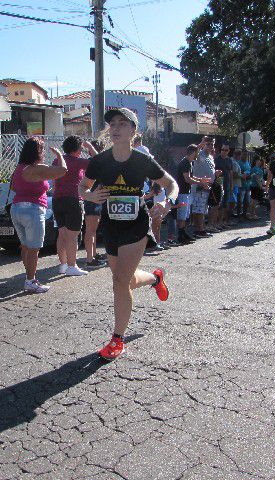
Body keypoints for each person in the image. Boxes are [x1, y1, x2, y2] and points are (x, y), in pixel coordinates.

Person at [79, 108, 178, 361]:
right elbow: (82, 186)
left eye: (122, 124)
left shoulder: (141, 160)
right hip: (111, 225)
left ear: (133, 131)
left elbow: (171, 184)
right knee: (126, 279)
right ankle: (156, 278)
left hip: (136, 225)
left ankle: (117, 339)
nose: (115, 128)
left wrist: (167, 202)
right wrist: (89, 195)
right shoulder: (100, 161)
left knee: (119, 282)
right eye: (112, 124)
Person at [11, 137, 67, 293]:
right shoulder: (35, 169)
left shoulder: (20, 168)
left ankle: (29, 276)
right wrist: (60, 156)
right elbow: (62, 171)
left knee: (25, 246)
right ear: (36, 152)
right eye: (41, 149)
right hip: (33, 209)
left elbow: (14, 187)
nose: (43, 152)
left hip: (17, 208)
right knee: (34, 248)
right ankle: (30, 280)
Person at [53, 135, 97, 275]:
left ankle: (63, 265)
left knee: (62, 234)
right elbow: (97, 162)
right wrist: (90, 147)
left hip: (57, 199)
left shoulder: (57, 160)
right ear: (78, 149)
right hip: (73, 199)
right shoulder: (78, 162)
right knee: (73, 235)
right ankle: (72, 266)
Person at [83, 140, 106, 268]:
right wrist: (90, 146)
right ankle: (89, 260)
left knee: (93, 230)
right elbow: (99, 159)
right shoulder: (93, 162)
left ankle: (94, 254)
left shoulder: (94, 163)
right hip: (92, 199)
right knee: (90, 231)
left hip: (97, 199)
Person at [188, 142, 215, 236]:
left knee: (203, 209)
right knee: (198, 208)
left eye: (212, 145)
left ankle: (201, 228)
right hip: (199, 186)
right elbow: (194, 150)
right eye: (208, 145)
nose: (210, 147)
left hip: (207, 187)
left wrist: (215, 174)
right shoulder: (200, 154)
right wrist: (202, 143)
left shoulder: (210, 157)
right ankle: (198, 229)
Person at [174, 146, 196, 244]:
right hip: (182, 192)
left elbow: (190, 177)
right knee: (182, 215)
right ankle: (180, 236)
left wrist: (200, 180)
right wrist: (201, 183)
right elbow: (187, 179)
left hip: (186, 192)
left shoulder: (188, 163)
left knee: (185, 215)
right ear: (193, 152)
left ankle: (183, 233)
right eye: (197, 152)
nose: (197, 155)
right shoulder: (185, 163)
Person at [215, 142, 233, 227]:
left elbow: (231, 173)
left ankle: (222, 222)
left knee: (225, 204)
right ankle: (217, 222)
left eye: (226, 150)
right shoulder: (216, 159)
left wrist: (231, 185)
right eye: (222, 150)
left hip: (227, 184)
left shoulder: (229, 160)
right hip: (218, 185)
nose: (224, 151)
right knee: (219, 204)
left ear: (228, 151)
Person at [235, 149, 251, 217]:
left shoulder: (247, 162)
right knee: (240, 201)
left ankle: (244, 214)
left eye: (246, 155)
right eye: (244, 154)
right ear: (241, 155)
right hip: (241, 185)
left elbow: (249, 170)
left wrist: (249, 174)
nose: (245, 156)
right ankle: (239, 215)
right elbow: (237, 173)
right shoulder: (238, 162)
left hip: (247, 184)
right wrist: (243, 175)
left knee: (247, 201)